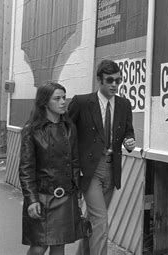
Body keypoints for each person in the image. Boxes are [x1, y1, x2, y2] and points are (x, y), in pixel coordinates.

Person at [69, 59, 136, 255]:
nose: (115, 84)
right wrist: (73, 167)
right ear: (99, 80)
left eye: (118, 80)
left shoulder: (124, 104)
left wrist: (129, 141)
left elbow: (128, 132)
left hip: (112, 168)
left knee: (93, 219)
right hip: (90, 170)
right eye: (110, 80)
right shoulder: (82, 102)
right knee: (101, 221)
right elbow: (68, 134)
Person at [19, 82, 82, 255]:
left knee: (59, 245)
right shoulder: (31, 130)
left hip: (66, 196)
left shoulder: (70, 128)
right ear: (45, 102)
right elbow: (26, 169)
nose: (63, 102)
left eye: (64, 97)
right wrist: (31, 200)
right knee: (39, 247)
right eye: (57, 98)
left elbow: (75, 162)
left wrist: (77, 191)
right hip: (42, 197)